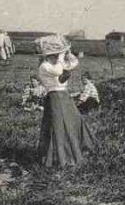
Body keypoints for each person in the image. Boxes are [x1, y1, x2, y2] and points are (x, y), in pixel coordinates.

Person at [35, 34, 96, 168]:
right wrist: (62, 57)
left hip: (64, 96)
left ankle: (78, 149)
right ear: (49, 54)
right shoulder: (45, 66)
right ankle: (59, 158)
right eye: (55, 54)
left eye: (57, 54)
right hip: (55, 98)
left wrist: (67, 54)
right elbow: (58, 71)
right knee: (58, 126)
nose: (57, 56)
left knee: (73, 121)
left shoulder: (55, 63)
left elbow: (73, 63)